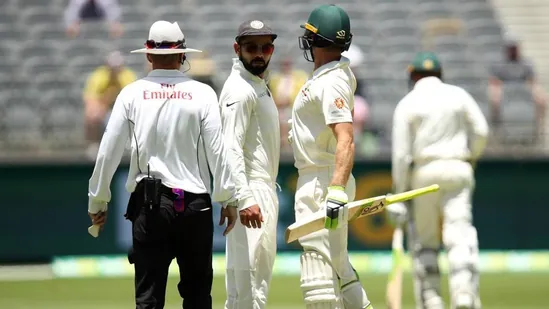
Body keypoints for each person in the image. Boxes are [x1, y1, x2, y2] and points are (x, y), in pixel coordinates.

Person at [87, 20, 238, 309]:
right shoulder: (203, 93)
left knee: (149, 300)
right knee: (197, 298)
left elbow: (108, 150)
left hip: (150, 206)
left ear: (147, 54)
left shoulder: (131, 93)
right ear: (183, 55)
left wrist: (98, 201)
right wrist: (227, 198)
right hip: (195, 206)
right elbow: (217, 152)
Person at [388, 52, 489, 309]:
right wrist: (469, 158)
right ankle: (464, 295)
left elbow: (401, 155)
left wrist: (399, 194)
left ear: (412, 76)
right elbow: (481, 131)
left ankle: (431, 299)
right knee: (459, 234)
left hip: (424, 174)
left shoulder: (408, 103)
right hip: (457, 167)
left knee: (426, 241)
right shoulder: (458, 95)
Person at [288, 5, 372, 309]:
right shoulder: (328, 77)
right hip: (321, 179)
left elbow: (346, 138)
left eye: (310, 36)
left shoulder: (332, 80)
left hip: (322, 182)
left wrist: (335, 189)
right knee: (340, 269)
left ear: (317, 40)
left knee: (318, 276)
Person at [218, 19, 281, 309]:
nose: (259, 53)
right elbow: (229, 147)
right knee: (251, 289)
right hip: (252, 193)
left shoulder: (257, 85)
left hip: (257, 190)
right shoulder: (240, 90)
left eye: (265, 47)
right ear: (237, 48)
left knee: (248, 287)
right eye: (251, 47)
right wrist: (243, 198)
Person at [488, 36, 546, 139]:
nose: (513, 50)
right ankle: (496, 124)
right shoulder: (499, 63)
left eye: (514, 48)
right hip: (504, 88)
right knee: (494, 97)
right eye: (511, 48)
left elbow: (532, 79)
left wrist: (531, 88)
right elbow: (494, 80)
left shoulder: (526, 63)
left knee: (542, 97)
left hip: (523, 87)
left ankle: (538, 127)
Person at [83, 50, 137, 159]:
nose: (115, 71)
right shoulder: (99, 76)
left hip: (122, 108)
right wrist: (100, 107)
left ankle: (129, 143)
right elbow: (90, 98)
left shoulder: (128, 76)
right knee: (92, 114)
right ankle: (94, 144)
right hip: (104, 107)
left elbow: (133, 99)